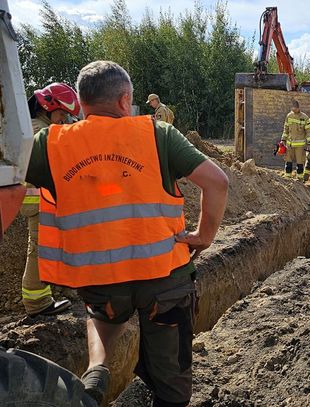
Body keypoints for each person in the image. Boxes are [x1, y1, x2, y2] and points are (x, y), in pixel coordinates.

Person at [26, 61, 229, 407]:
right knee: (171, 382)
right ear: (124, 101)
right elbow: (218, 182)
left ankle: (97, 366)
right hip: (164, 275)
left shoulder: (50, 142)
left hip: (100, 278)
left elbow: (10, 182)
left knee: (102, 316)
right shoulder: (157, 133)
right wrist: (204, 235)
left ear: (82, 102)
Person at [21, 83, 80, 317]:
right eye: (62, 113)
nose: (64, 119)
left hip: (35, 198)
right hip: (37, 200)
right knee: (37, 250)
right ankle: (37, 304)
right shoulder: (39, 131)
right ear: (47, 107)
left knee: (41, 248)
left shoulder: (34, 126)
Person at [281, 99, 309, 180]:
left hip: (300, 146)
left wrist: (309, 143)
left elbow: (308, 132)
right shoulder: (289, 116)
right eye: (292, 108)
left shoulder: (305, 117)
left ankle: (299, 179)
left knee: (300, 162)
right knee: (288, 161)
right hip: (289, 144)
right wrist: (283, 140)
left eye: (295, 108)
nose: (293, 110)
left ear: (298, 108)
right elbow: (285, 129)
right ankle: (287, 177)